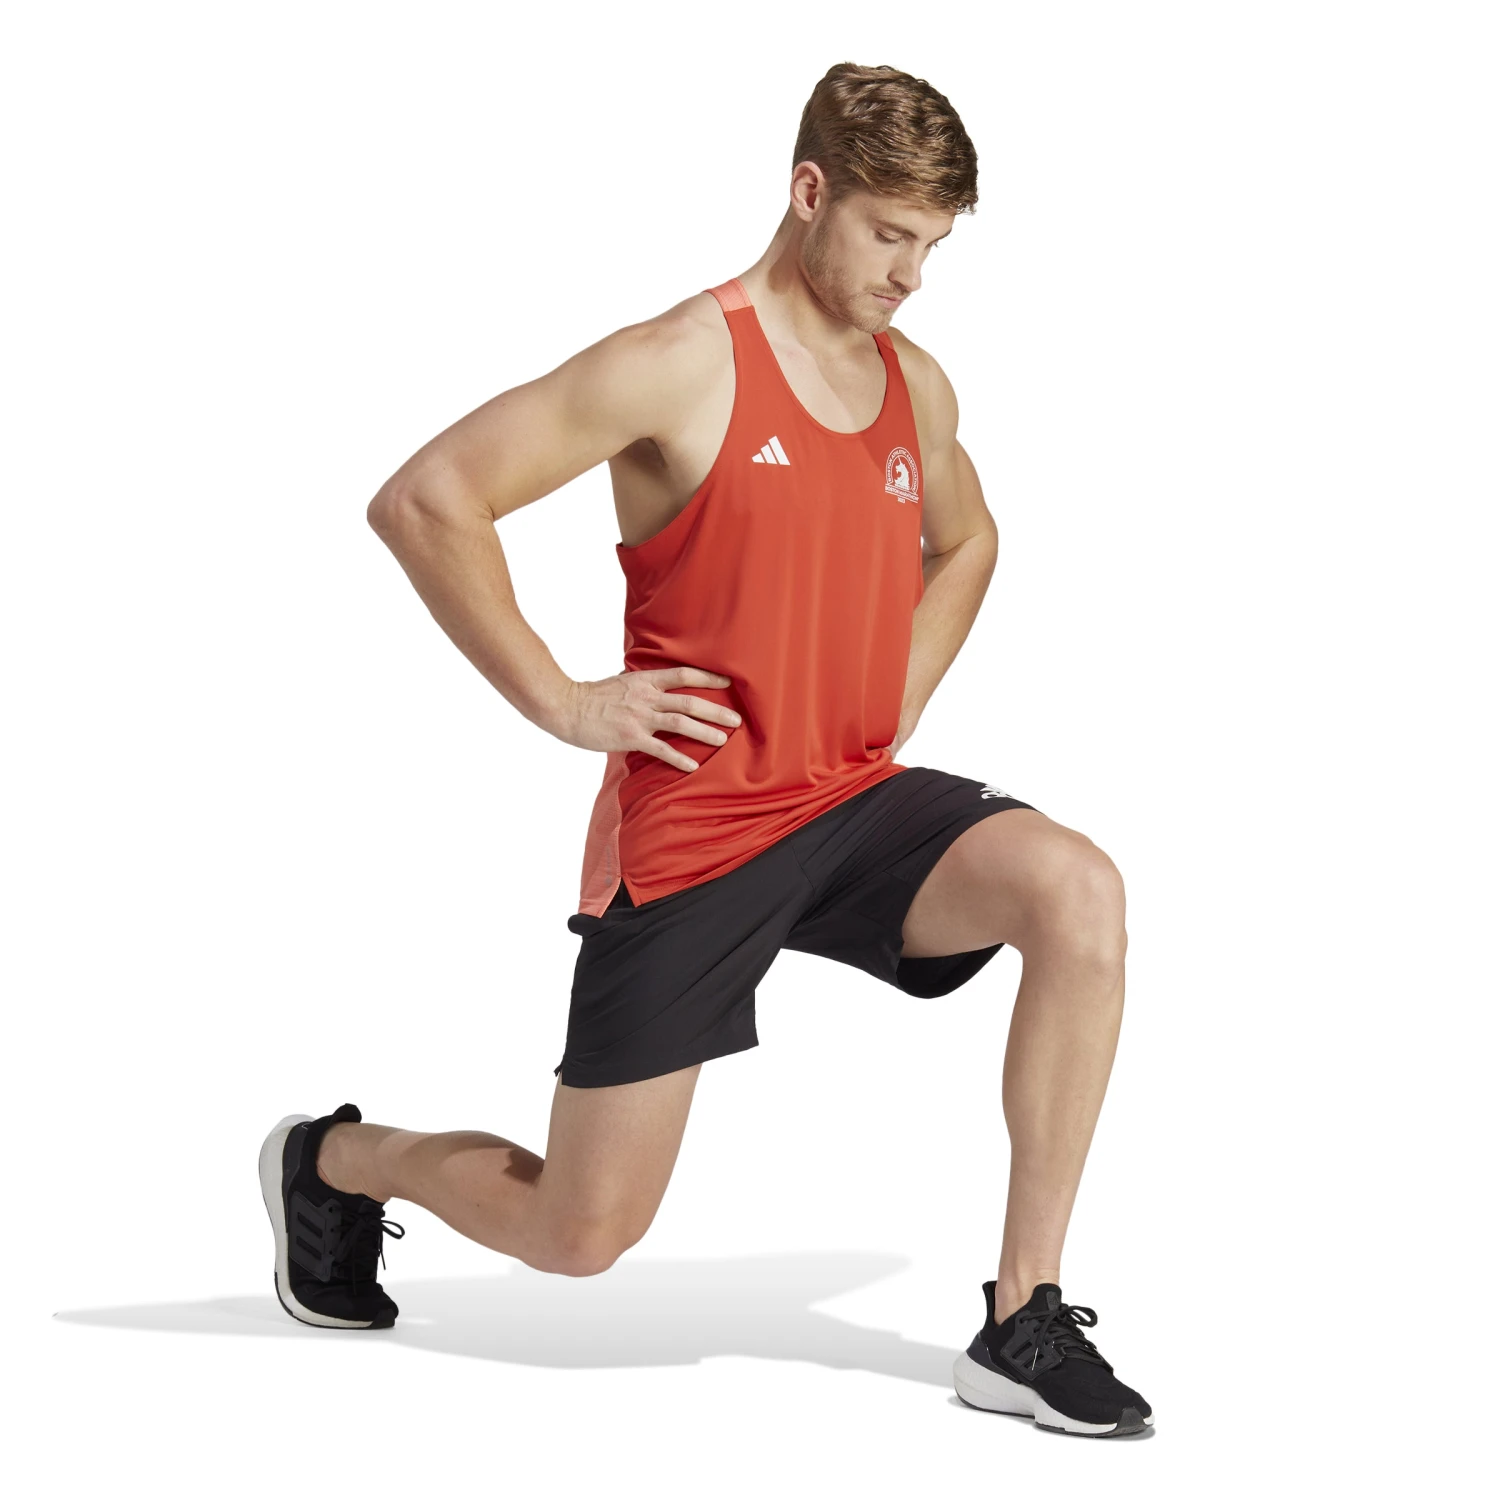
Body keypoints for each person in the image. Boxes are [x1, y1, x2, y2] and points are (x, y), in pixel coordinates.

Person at [258, 61, 1152, 1438]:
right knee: (579, 1233)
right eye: (889, 235)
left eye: (932, 245)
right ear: (809, 192)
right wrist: (565, 702)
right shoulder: (679, 361)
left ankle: (1021, 1316)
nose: (910, 276)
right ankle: (334, 1161)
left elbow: (969, 539)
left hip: (851, 802)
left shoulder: (913, 385)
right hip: (698, 833)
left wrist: (897, 688)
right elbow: (428, 499)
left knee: (1077, 890)